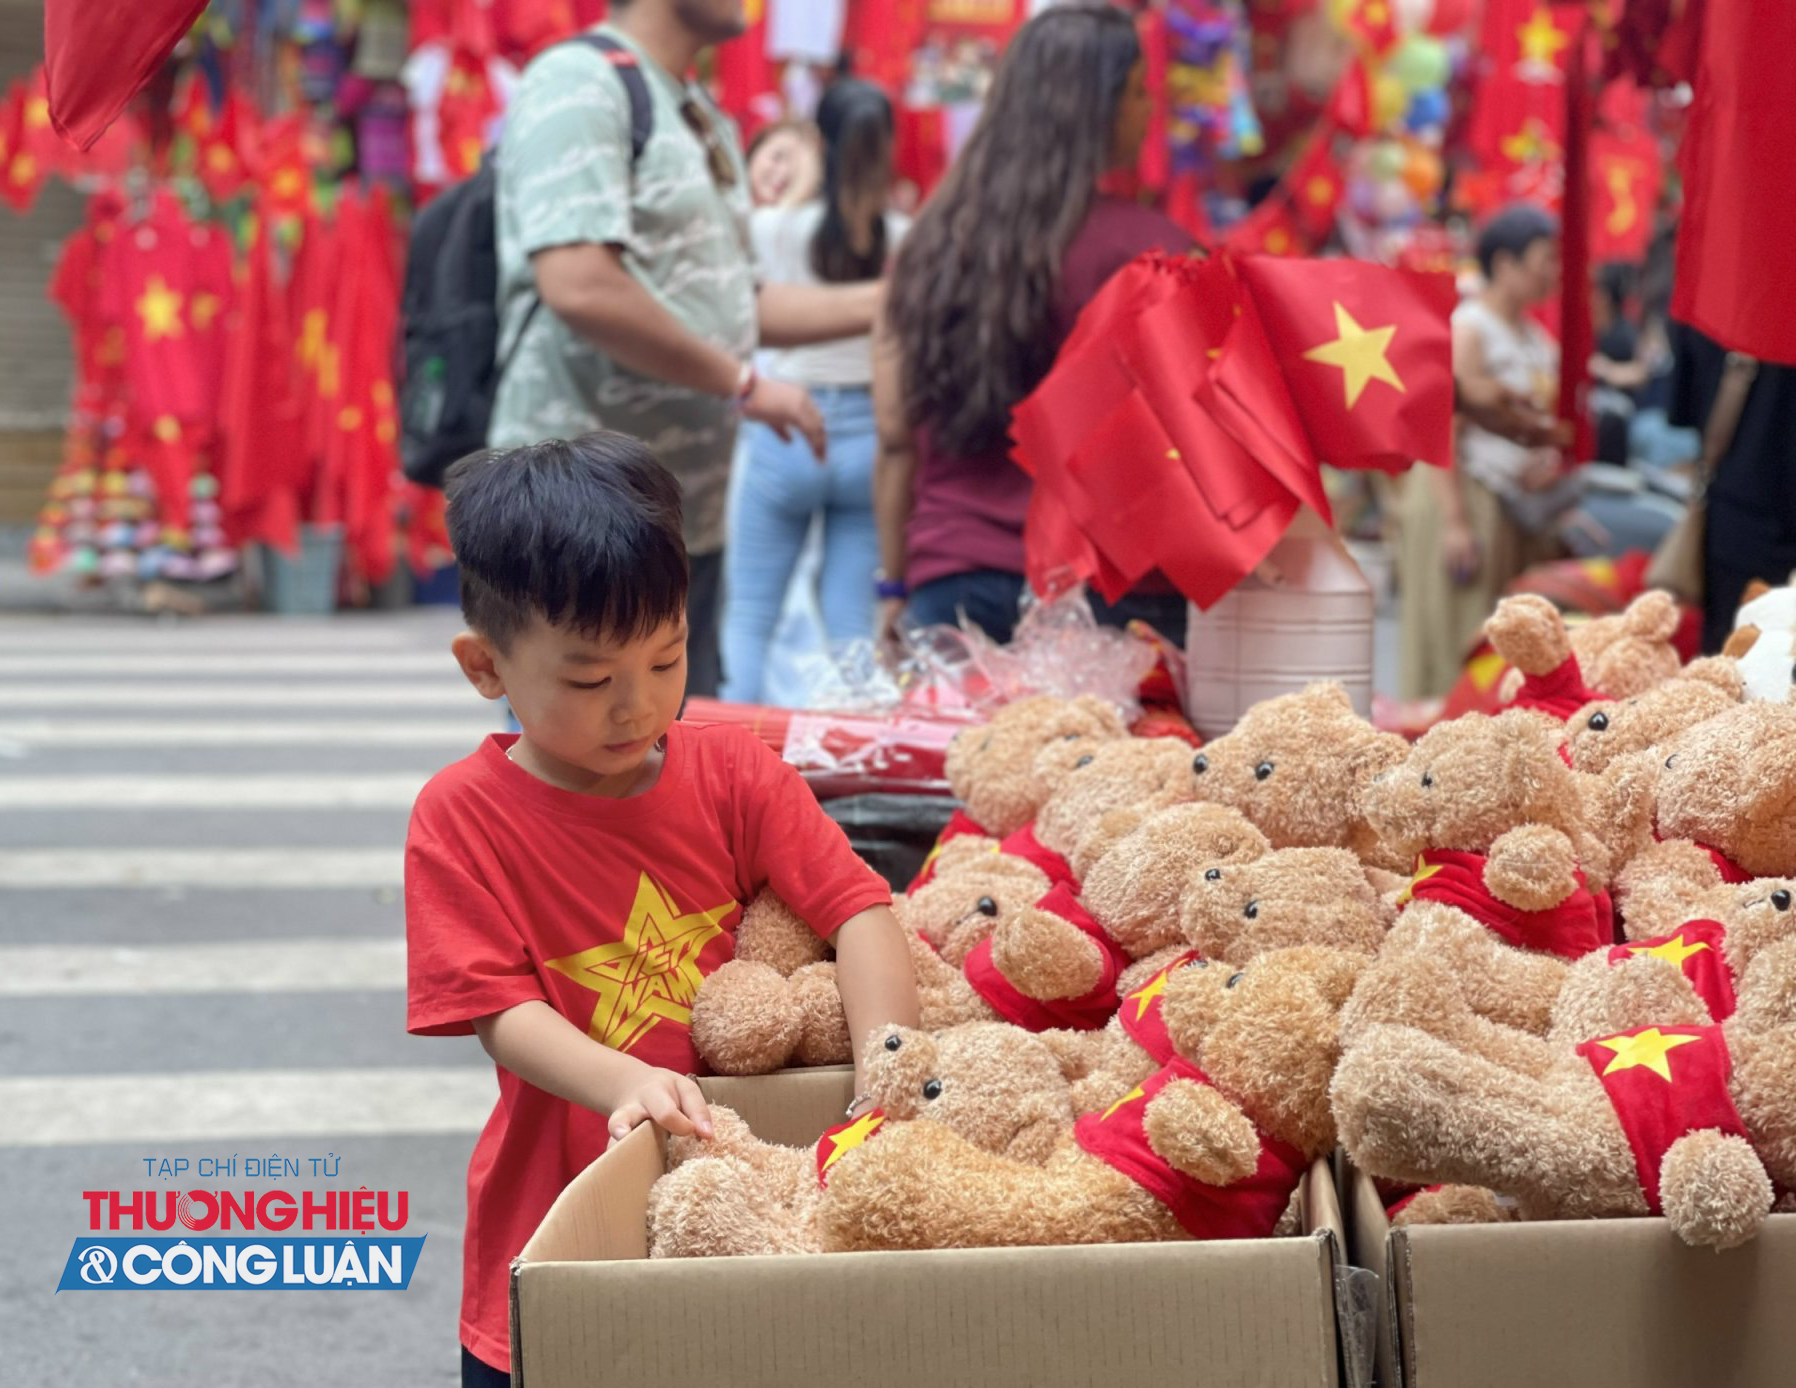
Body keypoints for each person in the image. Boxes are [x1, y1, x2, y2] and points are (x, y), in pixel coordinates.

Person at [406, 435, 919, 1388]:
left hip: (747, 1218)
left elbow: (858, 910)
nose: (637, 706)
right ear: (485, 666)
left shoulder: (732, 771)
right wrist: (624, 1083)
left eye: (667, 657)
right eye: (591, 680)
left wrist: (891, 1072)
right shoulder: (461, 814)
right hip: (558, 1211)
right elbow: (499, 1010)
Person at [490, 0, 881, 696]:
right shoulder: (579, 83)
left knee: (666, 764)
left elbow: (735, 305)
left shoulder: (697, 111)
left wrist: (895, 302)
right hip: (581, 511)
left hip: (681, 521)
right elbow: (579, 283)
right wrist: (744, 383)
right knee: (580, 767)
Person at [873, 3, 1196, 648]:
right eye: (1139, 91)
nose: (1148, 109)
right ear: (1098, 110)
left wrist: (895, 586)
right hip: (1107, 595)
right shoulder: (1153, 253)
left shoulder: (934, 243)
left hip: (952, 579)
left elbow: (894, 432)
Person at [721, 79, 907, 703]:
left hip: (785, 428)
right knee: (851, 628)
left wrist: (807, 182)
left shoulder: (772, 229)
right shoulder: (904, 239)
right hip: (868, 441)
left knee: (749, 616)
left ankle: (726, 760)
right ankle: (851, 772)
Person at [1398, 204, 1568, 699]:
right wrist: (1454, 521)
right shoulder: (1470, 328)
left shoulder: (1534, 337)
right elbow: (1441, 424)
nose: (1554, 272)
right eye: (1545, 259)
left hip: (1505, 502)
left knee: (1491, 639)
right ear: (1505, 264)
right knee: (1455, 635)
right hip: (1460, 492)